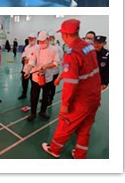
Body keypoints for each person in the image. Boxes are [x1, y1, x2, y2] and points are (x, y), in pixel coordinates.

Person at [42, 19, 101, 159]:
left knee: (65, 125)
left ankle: (54, 149)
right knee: (84, 130)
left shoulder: (72, 53)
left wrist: (65, 104)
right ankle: (80, 155)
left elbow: (71, 83)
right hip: (94, 98)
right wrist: (60, 77)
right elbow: (82, 69)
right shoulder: (88, 47)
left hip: (80, 100)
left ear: (65, 35)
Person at [24, 30, 59, 121]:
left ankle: (42, 111)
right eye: (40, 41)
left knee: (45, 96)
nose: (41, 43)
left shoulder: (54, 49)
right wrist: (27, 71)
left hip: (47, 77)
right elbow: (31, 62)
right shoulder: (36, 49)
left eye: (43, 41)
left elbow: (56, 63)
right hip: (36, 77)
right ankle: (33, 113)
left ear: (48, 39)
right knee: (34, 96)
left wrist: (46, 66)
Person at [19, 33, 38, 100]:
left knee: (33, 85)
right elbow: (23, 54)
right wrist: (24, 58)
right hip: (25, 68)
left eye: (32, 38)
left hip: (33, 70)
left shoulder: (38, 47)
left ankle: (32, 97)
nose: (30, 39)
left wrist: (29, 59)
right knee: (24, 83)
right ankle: (24, 94)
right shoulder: (27, 47)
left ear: (35, 39)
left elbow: (37, 58)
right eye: (29, 38)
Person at [47, 32, 63, 105]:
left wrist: (55, 63)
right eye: (49, 37)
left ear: (54, 38)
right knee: (47, 85)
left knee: (52, 85)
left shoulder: (58, 48)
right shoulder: (46, 47)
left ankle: (51, 98)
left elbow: (61, 58)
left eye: (51, 37)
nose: (50, 39)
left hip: (54, 70)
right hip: (47, 70)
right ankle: (46, 97)